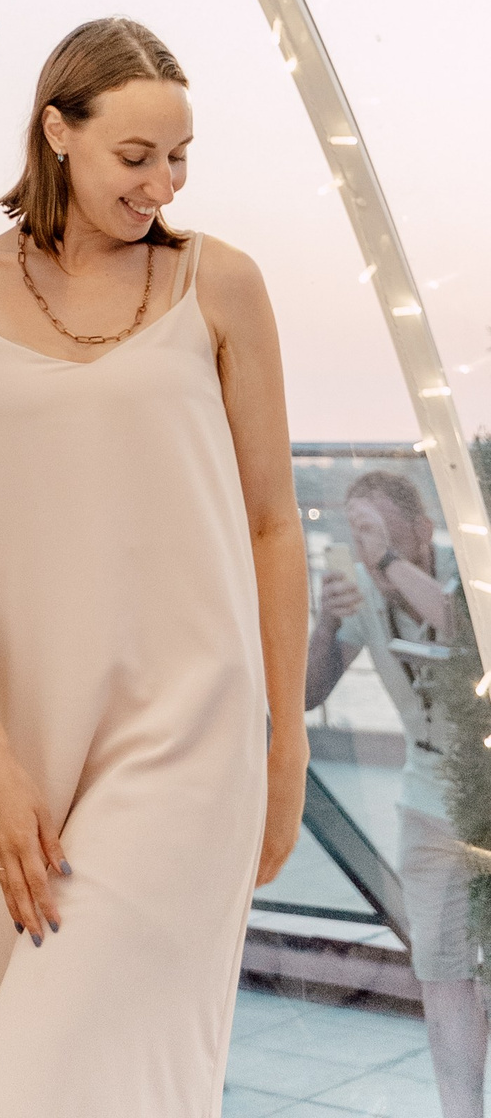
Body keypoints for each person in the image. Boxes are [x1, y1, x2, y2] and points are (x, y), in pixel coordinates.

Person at [0, 16, 307, 1117]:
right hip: (26, 732)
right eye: (136, 156)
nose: (161, 184)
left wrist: (287, 742)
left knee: (32, 1086)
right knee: (46, 1066)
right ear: (56, 132)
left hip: (190, 731)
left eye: (178, 157)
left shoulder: (220, 285)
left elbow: (274, 524)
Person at [307, 471, 486, 1116]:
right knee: (441, 976)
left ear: (423, 531)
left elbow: (467, 631)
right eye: (358, 534)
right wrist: (327, 623)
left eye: (379, 532)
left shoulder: (468, 576)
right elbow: (308, 695)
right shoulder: (367, 595)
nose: (368, 548)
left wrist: (385, 563)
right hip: (426, 808)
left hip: (486, 806)